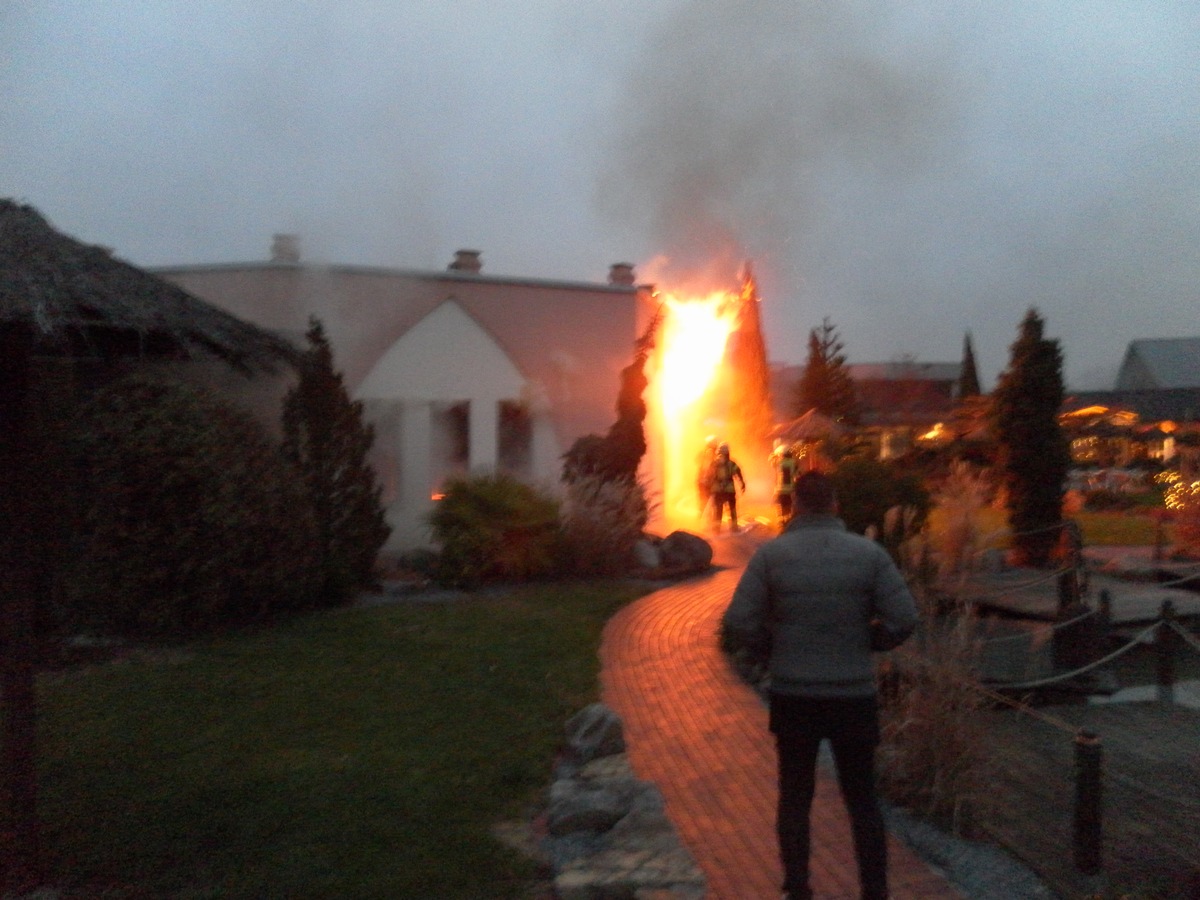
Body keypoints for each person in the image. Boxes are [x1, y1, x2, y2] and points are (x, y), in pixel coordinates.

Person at [721, 471, 919, 900]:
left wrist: (769, 648)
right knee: (863, 799)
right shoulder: (869, 555)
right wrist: (870, 641)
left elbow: (738, 621)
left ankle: (798, 889)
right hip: (853, 695)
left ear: (794, 507)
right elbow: (905, 618)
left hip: (794, 694)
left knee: (795, 797)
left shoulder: (771, 557)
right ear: (835, 505)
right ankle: (875, 891)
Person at [709, 441, 745, 532]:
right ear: (728, 452)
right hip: (730, 491)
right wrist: (742, 484)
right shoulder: (731, 464)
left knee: (718, 511)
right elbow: (738, 473)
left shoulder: (714, 463)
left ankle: (716, 529)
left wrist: (709, 488)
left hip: (718, 491)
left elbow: (710, 475)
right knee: (732, 510)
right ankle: (734, 528)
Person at [772, 445, 800, 527]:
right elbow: (797, 474)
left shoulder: (778, 462)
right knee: (789, 504)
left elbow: (772, 464)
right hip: (791, 488)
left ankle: (781, 520)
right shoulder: (794, 463)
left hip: (780, 488)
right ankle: (788, 519)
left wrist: (774, 456)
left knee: (780, 504)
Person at [696, 435, 719, 520]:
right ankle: (707, 517)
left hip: (704, 481)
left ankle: (703, 516)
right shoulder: (712, 455)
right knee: (709, 500)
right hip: (707, 482)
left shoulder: (705, 454)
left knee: (705, 500)